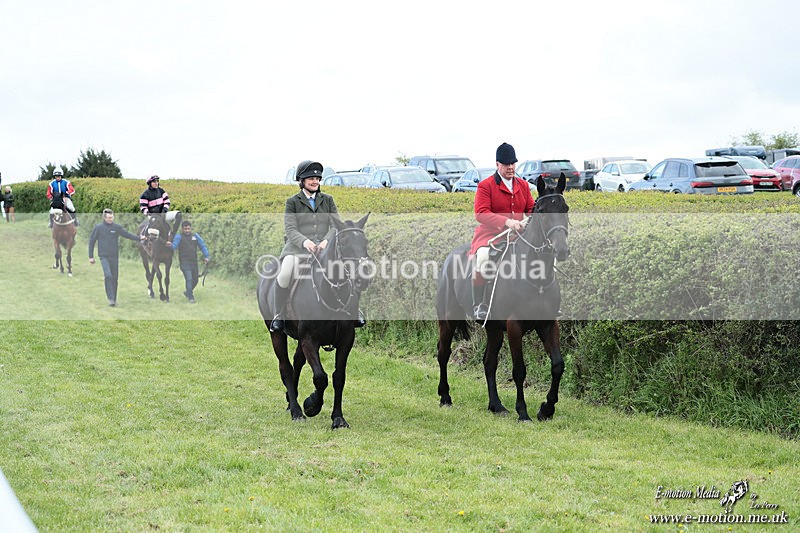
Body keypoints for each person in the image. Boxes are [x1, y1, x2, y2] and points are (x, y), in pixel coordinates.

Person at [269, 160, 366, 332]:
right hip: (297, 249)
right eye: (311, 179)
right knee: (285, 273)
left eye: (317, 178)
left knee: (348, 269)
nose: (315, 181)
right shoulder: (292, 202)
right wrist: (305, 242)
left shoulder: (327, 200)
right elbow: (290, 229)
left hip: (324, 248)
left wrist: (326, 241)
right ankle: (278, 314)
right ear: (302, 181)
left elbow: (335, 225)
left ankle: (353, 311)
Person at [469, 142, 535, 321]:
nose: (510, 167)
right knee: (483, 258)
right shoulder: (486, 186)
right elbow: (481, 213)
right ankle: (479, 305)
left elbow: (530, 209)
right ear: (497, 164)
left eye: (513, 163)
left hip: (519, 235)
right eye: (506, 164)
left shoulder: (523, 185)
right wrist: (506, 221)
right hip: (491, 235)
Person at [88, 209, 144, 306]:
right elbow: (92, 241)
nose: (111, 219)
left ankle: (114, 299)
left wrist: (139, 238)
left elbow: (127, 235)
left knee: (114, 278)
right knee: (108, 275)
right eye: (109, 218)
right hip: (103, 256)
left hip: (114, 256)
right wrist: (91, 256)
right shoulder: (98, 228)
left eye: (112, 217)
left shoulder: (117, 227)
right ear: (104, 218)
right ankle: (110, 298)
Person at [169, 220, 210, 303]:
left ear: (190, 228)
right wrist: (170, 245)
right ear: (182, 229)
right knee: (189, 279)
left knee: (195, 280)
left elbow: (202, 246)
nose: (187, 230)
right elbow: (174, 246)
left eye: (188, 229)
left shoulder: (195, 236)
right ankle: (191, 297)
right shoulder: (179, 237)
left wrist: (207, 256)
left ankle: (187, 292)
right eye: (185, 229)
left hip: (194, 262)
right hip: (184, 263)